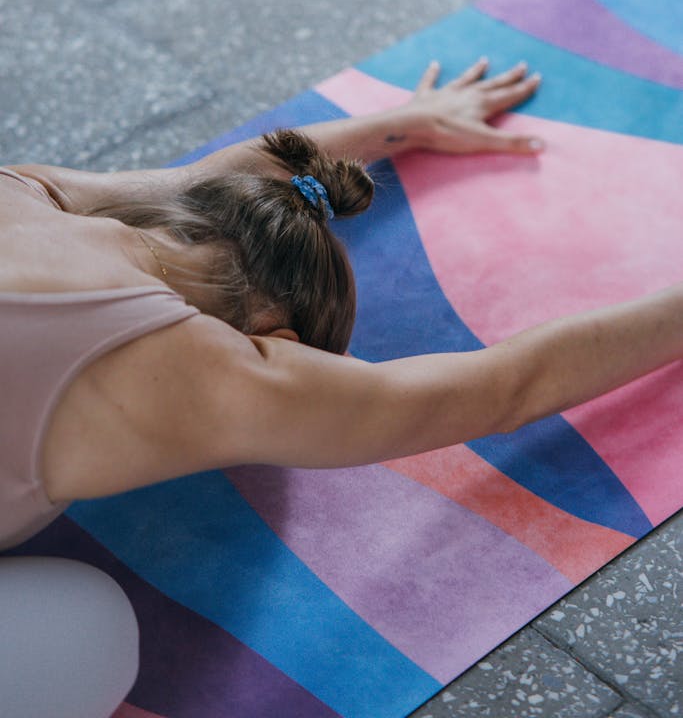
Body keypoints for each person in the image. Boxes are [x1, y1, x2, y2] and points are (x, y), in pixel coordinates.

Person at [1, 60, 682, 718]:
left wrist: (406, 122)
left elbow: (193, 182)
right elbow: (509, 386)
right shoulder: (217, 377)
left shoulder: (27, 193)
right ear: (279, 343)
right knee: (88, 631)